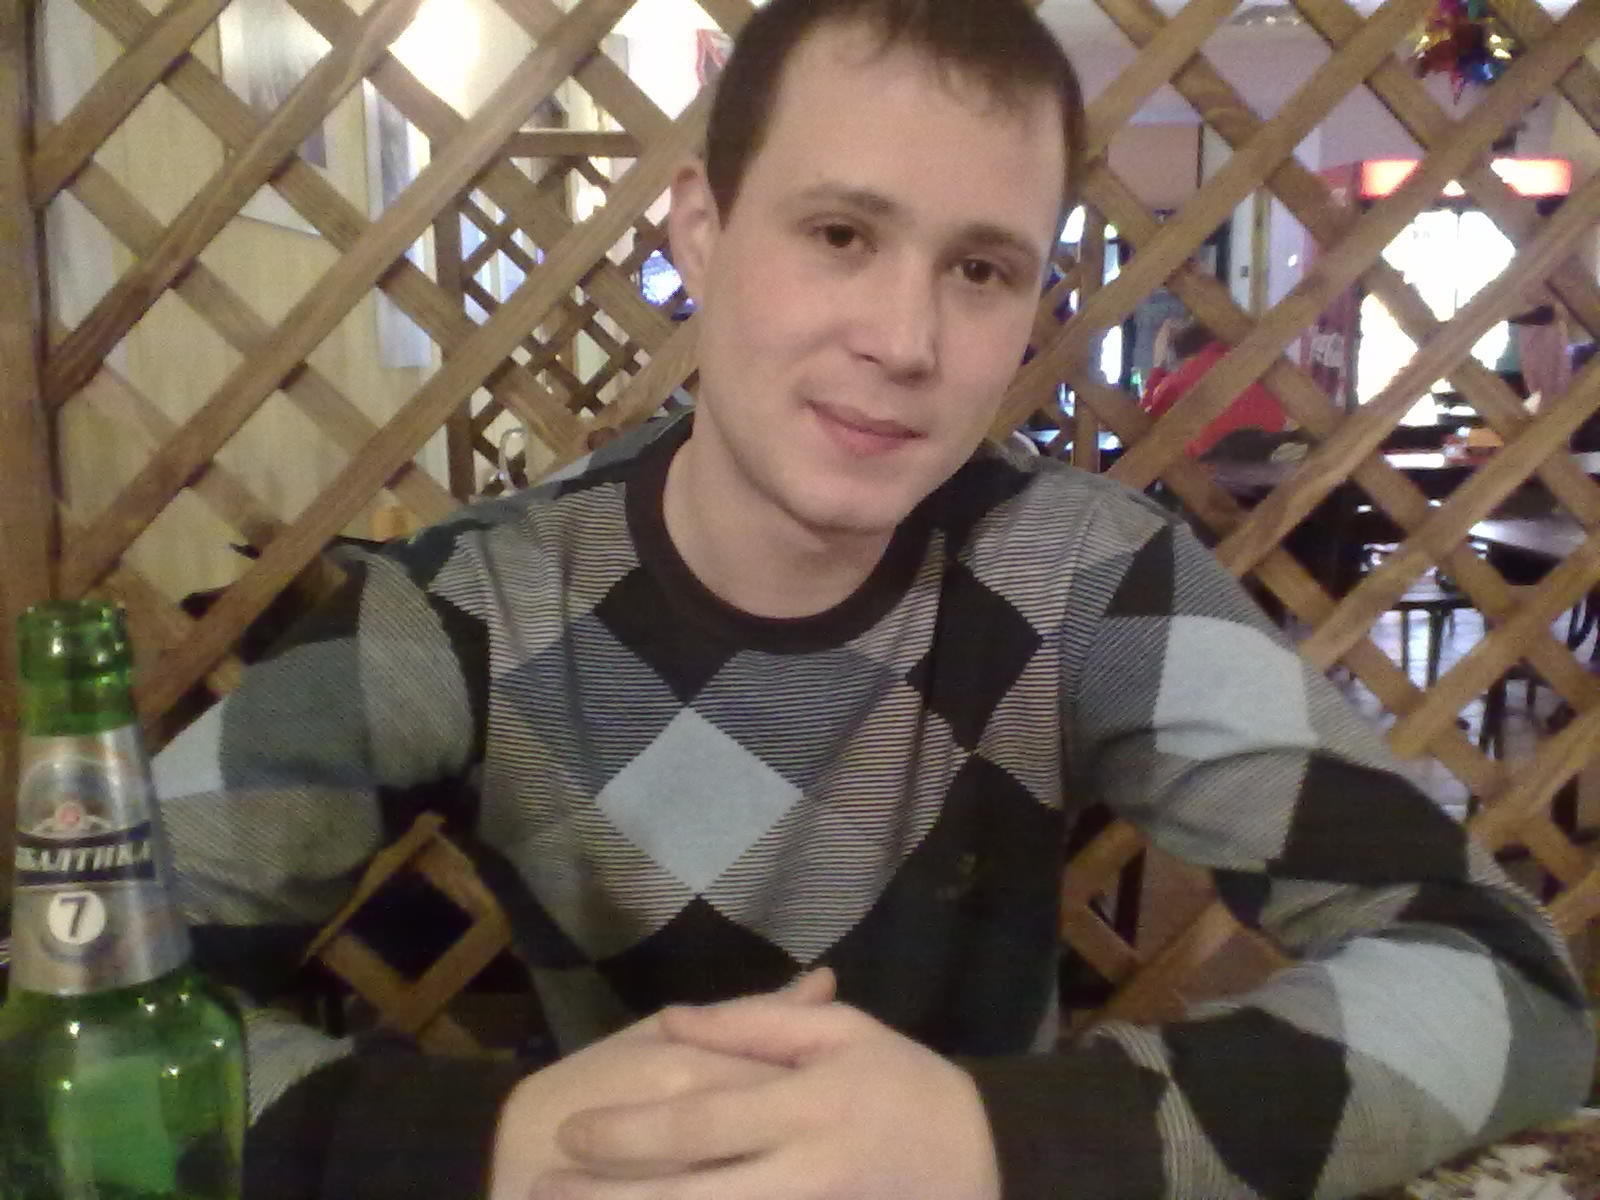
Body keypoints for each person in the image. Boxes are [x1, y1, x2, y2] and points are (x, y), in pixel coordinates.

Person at [150, 1, 1593, 1197]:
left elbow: (1507, 978)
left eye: (980, 268)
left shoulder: (1091, 582)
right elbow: (66, 1003)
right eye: (841, 233)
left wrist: (992, 1140)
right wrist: (500, 1144)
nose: (906, 340)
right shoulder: (466, 609)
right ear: (701, 229)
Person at [1142, 316, 1289, 458]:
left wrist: (1158, 367)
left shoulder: (1176, 383)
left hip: (1210, 469)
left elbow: (1140, 434)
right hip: (1275, 456)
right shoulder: (1255, 363)